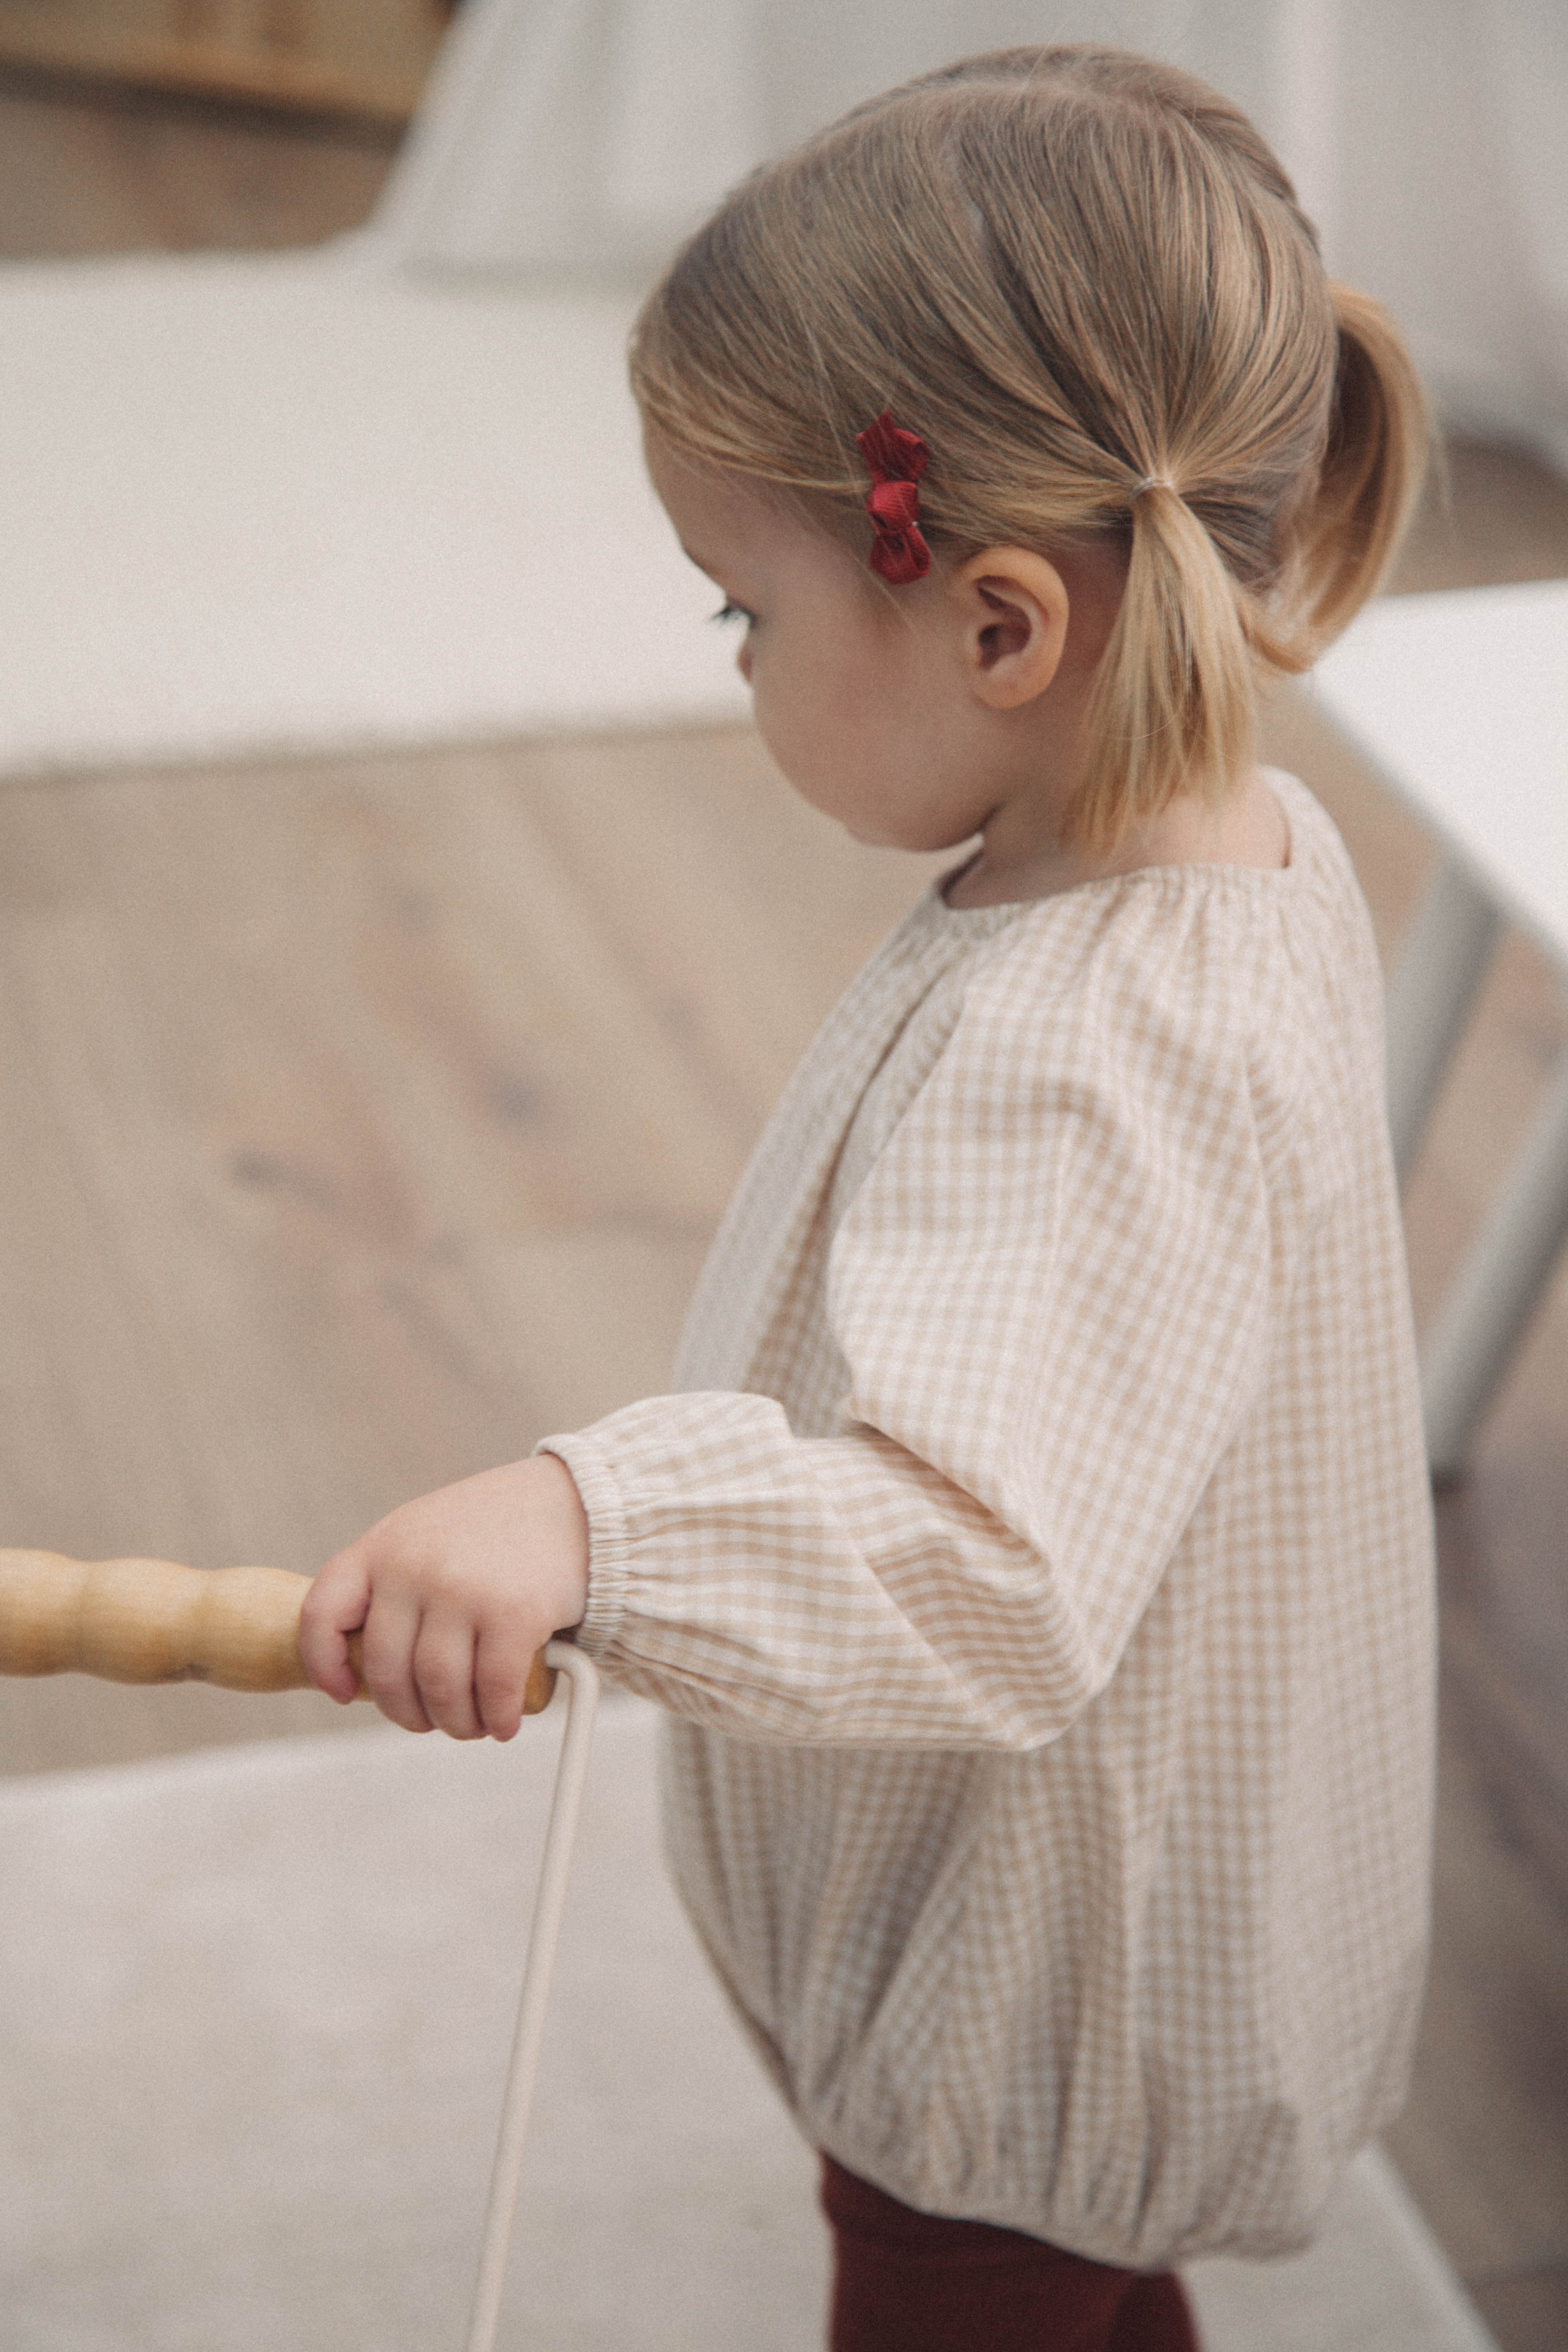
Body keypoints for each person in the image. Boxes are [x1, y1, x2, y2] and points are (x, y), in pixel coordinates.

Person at [300, 46, 1437, 2352]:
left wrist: (596, 1521)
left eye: (742, 609)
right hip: (1087, 1899)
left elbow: (985, 1559)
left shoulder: (1102, 1054)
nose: (732, 660)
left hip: (1035, 1985)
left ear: (1002, 625)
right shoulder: (1228, 854)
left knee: (995, 2294)